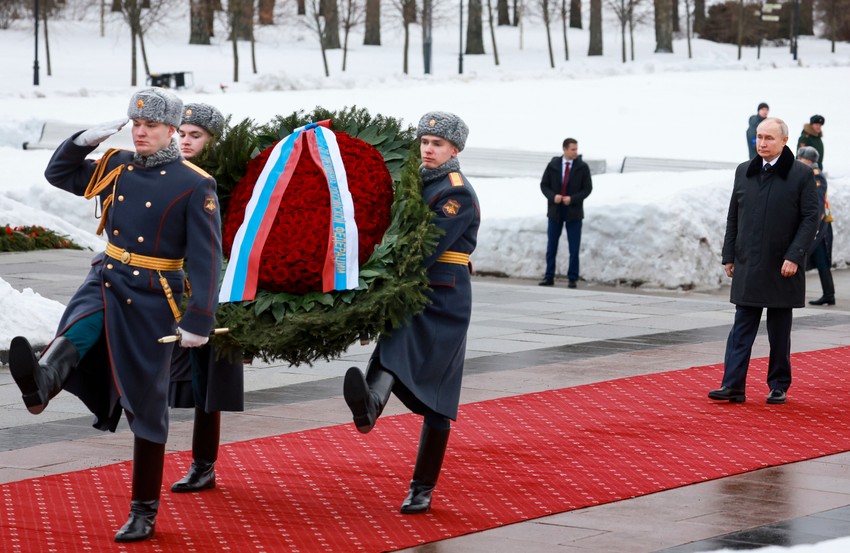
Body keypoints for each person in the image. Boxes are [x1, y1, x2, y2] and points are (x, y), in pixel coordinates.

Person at [8, 87, 223, 542]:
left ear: (170, 130)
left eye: (150, 126)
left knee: (145, 407)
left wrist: (198, 319)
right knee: (80, 325)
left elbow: (207, 258)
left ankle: (143, 510)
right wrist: (82, 140)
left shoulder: (193, 183)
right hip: (107, 276)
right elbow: (58, 173)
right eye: (136, 124)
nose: (140, 132)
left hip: (152, 295)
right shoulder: (117, 165)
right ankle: (42, 382)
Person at [343, 111, 480, 514]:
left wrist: (375, 273)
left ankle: (422, 487)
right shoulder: (417, 181)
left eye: (437, 144)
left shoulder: (456, 193)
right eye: (424, 142)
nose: (428, 149)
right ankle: (369, 406)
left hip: (443, 298)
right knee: (393, 346)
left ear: (455, 150)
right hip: (412, 290)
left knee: (438, 397)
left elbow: (425, 248)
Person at [708, 117, 818, 406]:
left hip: (783, 265)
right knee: (741, 327)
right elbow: (734, 215)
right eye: (759, 137)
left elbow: (810, 219)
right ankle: (732, 385)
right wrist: (729, 255)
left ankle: (778, 385)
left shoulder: (800, 175)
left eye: (769, 138)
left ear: (784, 140)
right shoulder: (744, 171)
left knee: (779, 331)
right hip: (748, 262)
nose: (762, 143)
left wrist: (794, 256)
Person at [169, 102, 244, 494]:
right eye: (181, 133)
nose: (185, 141)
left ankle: (203, 463)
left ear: (213, 141)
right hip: (165, 285)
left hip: (207, 292)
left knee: (205, 381)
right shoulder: (171, 173)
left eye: (195, 135)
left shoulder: (220, 182)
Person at [538, 138, 593, 288]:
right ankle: (549, 276)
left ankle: (572, 278)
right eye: (573, 149)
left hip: (574, 212)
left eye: (576, 149)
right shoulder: (553, 165)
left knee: (574, 247)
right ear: (565, 149)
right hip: (555, 211)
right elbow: (544, 185)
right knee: (552, 246)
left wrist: (573, 199)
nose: (576, 152)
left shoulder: (582, 167)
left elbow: (587, 189)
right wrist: (553, 196)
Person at [797, 146, 834, 306]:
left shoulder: (815, 176)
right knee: (820, 261)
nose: (799, 161)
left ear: (808, 160)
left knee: (814, 259)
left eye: (801, 159)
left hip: (819, 226)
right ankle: (829, 295)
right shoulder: (808, 174)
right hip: (817, 225)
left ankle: (828, 294)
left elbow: (818, 205)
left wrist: (814, 227)